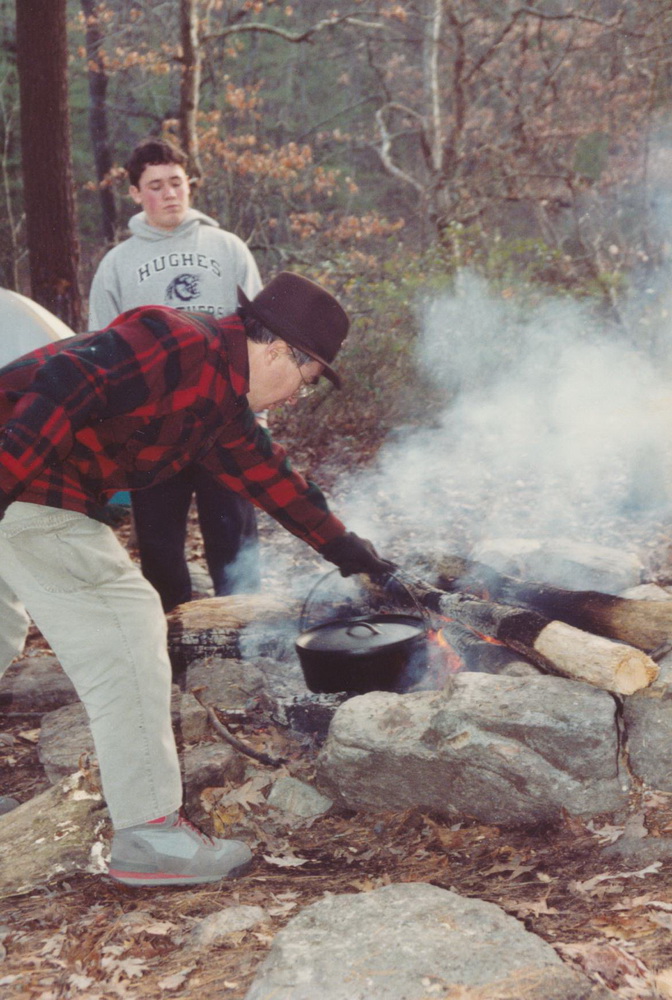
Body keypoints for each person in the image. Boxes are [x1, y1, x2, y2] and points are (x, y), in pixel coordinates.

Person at [0, 271, 392, 887]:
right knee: (128, 627)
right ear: (277, 352)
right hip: (27, 486)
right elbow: (67, 379)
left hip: (26, 488)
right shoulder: (179, 340)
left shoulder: (220, 406)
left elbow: (272, 479)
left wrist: (350, 551)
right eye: (306, 382)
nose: (297, 397)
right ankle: (149, 837)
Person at [89, 137, 263, 610]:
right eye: (156, 185)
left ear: (190, 185)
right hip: (153, 428)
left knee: (234, 537)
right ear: (135, 193)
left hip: (224, 421)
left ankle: (247, 632)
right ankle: (173, 639)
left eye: (176, 183)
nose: (169, 194)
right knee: (161, 546)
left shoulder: (228, 249)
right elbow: (102, 353)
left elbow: (260, 335)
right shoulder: (116, 266)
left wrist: (257, 415)